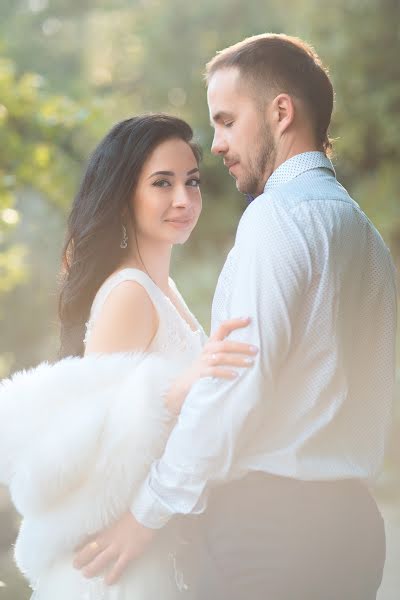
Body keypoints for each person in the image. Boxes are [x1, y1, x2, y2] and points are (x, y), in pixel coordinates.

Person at [75, 34, 398, 600]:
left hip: (271, 535)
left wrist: (145, 515)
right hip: (355, 530)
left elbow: (234, 388)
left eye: (226, 121)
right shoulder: (364, 235)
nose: (217, 144)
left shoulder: (276, 219)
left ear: (280, 112)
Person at [0, 114, 257, 599]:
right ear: (124, 196)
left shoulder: (165, 289)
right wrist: (181, 388)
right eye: (162, 183)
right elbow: (101, 450)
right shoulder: (129, 295)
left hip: (166, 549)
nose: (183, 199)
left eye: (192, 182)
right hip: (120, 567)